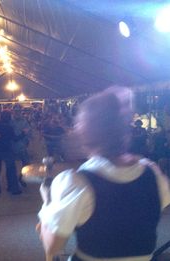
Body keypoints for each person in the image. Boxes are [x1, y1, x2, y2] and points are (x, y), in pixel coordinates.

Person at [36, 86, 170, 261]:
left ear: (85, 132)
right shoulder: (152, 172)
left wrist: (47, 203)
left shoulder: (76, 182)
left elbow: (53, 246)